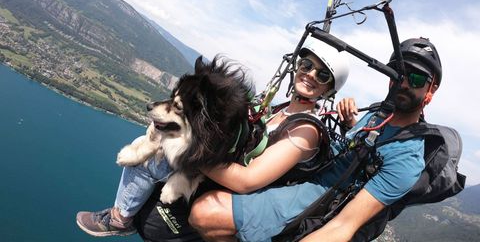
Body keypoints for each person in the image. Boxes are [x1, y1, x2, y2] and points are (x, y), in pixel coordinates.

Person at [75, 39, 350, 237]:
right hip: (219, 172)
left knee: (155, 158)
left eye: (322, 74)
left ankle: (120, 219)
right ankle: (121, 214)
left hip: (236, 189)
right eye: (306, 65)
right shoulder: (279, 109)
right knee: (149, 143)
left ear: (329, 88)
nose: (310, 74)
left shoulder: (306, 130)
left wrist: (187, 150)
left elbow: (247, 181)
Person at [188, 37, 442, 242]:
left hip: (320, 199)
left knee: (207, 212)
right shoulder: (377, 116)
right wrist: (349, 124)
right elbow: (360, 149)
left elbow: (344, 226)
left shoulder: (407, 159)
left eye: (417, 79)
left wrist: (186, 153)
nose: (404, 83)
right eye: (399, 73)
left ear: (431, 90)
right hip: (309, 179)